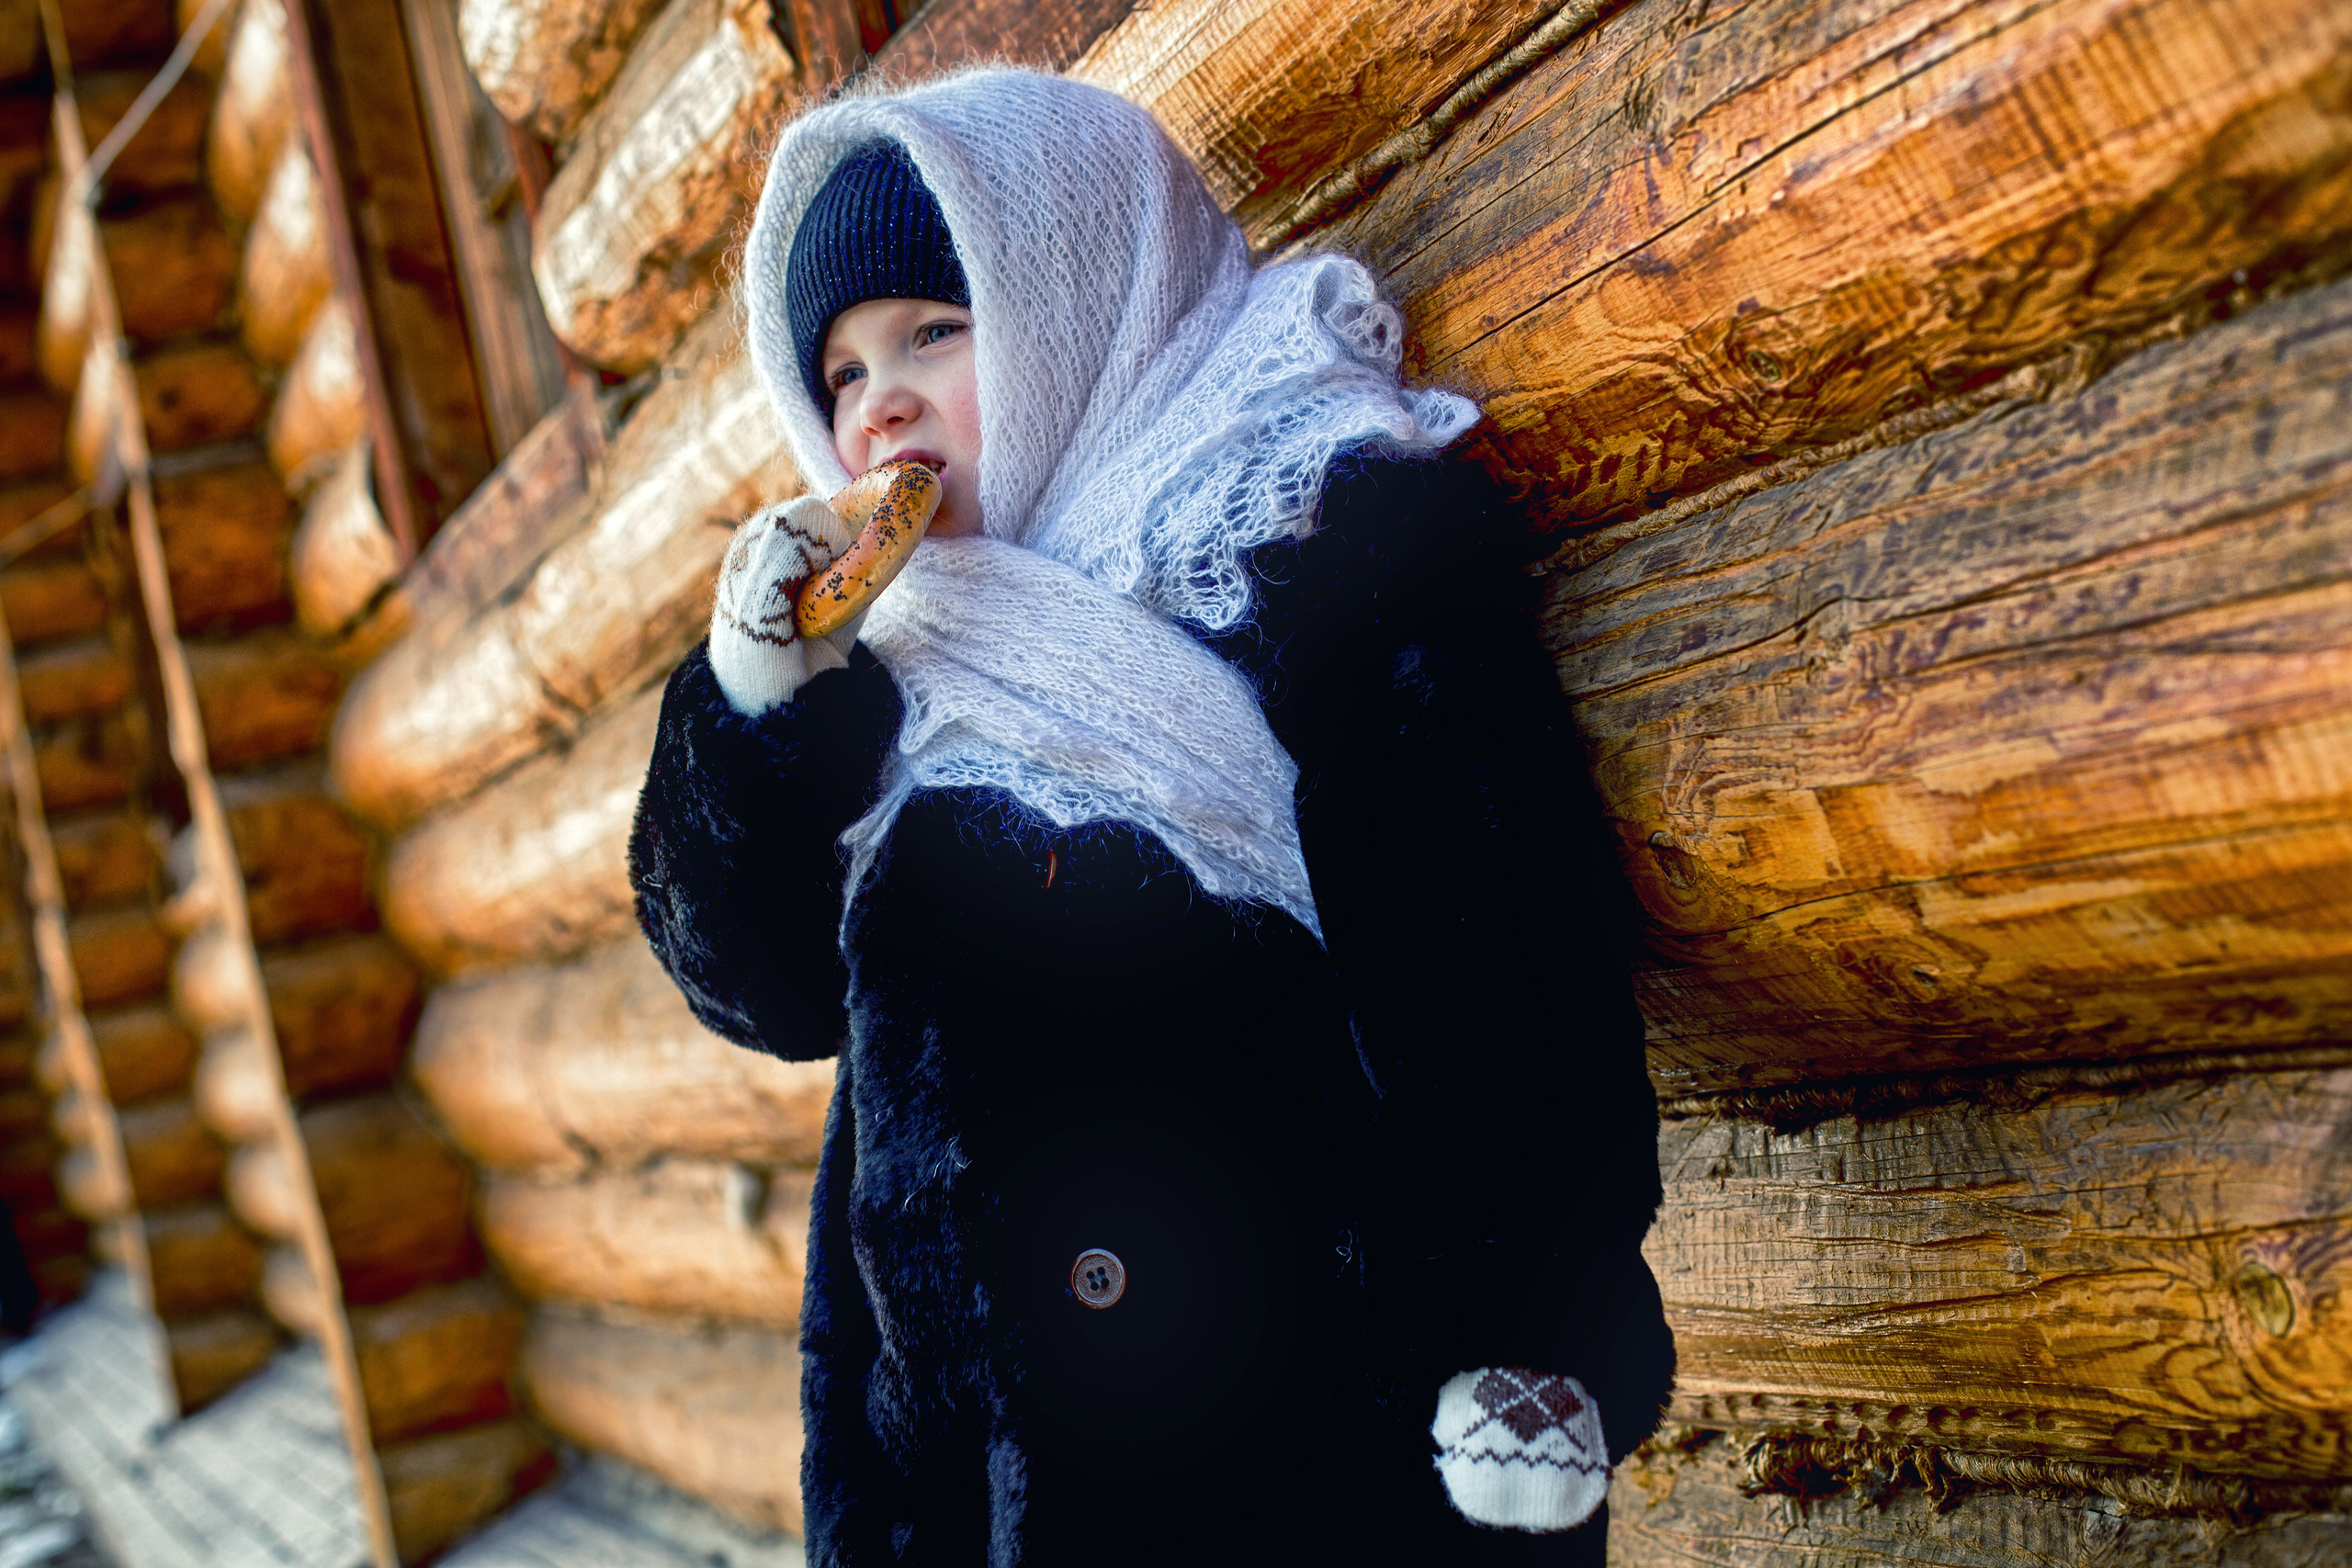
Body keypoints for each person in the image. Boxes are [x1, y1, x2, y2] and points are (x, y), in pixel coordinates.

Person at [628, 67, 1672, 1567]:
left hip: (1302, 1451)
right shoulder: (877, 659)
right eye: (843, 373)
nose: (884, 405)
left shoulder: (1299, 547)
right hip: (951, 1479)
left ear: (1072, 291)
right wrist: (753, 712)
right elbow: (764, 987)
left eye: (935, 328)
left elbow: (1497, 956)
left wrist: (1530, 1328)